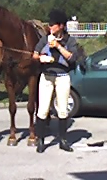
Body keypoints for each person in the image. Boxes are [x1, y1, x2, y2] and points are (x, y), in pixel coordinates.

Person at [32, 9, 78, 153]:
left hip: (62, 76)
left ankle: (63, 140)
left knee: (62, 109)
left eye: (53, 24)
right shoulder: (45, 39)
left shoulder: (69, 40)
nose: (50, 27)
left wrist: (58, 46)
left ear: (61, 26)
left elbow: (72, 57)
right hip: (47, 76)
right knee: (43, 109)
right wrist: (40, 58)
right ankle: (40, 140)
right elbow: (34, 53)